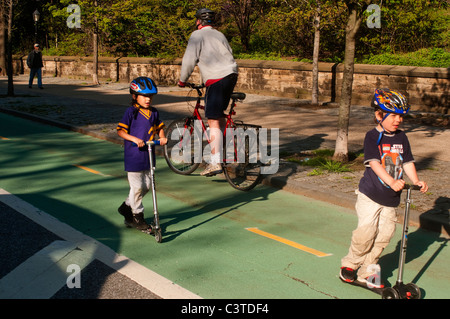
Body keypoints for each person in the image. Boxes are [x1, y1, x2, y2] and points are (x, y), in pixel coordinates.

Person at [340, 88, 428, 289]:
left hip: (391, 198)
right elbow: (374, 163)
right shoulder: (373, 137)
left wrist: (416, 180)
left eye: (400, 116)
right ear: (379, 115)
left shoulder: (401, 137)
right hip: (370, 194)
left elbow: (407, 162)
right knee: (366, 233)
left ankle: (367, 271)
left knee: (384, 236)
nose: (398, 120)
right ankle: (350, 264)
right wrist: (390, 180)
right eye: (393, 115)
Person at [178, 8, 238, 176]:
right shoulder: (220, 35)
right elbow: (229, 55)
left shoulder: (197, 35)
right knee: (219, 116)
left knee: (212, 120)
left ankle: (215, 162)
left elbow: (189, 59)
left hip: (217, 79)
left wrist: (182, 80)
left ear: (199, 21)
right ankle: (225, 148)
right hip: (231, 75)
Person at [116, 77, 167, 231]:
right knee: (137, 187)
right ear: (134, 96)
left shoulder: (154, 112)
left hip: (148, 154)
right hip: (134, 155)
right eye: (144, 96)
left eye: (150, 96)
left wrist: (162, 137)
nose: (148, 99)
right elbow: (120, 130)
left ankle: (126, 207)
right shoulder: (131, 112)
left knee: (146, 186)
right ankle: (138, 217)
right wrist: (134, 139)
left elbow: (159, 127)